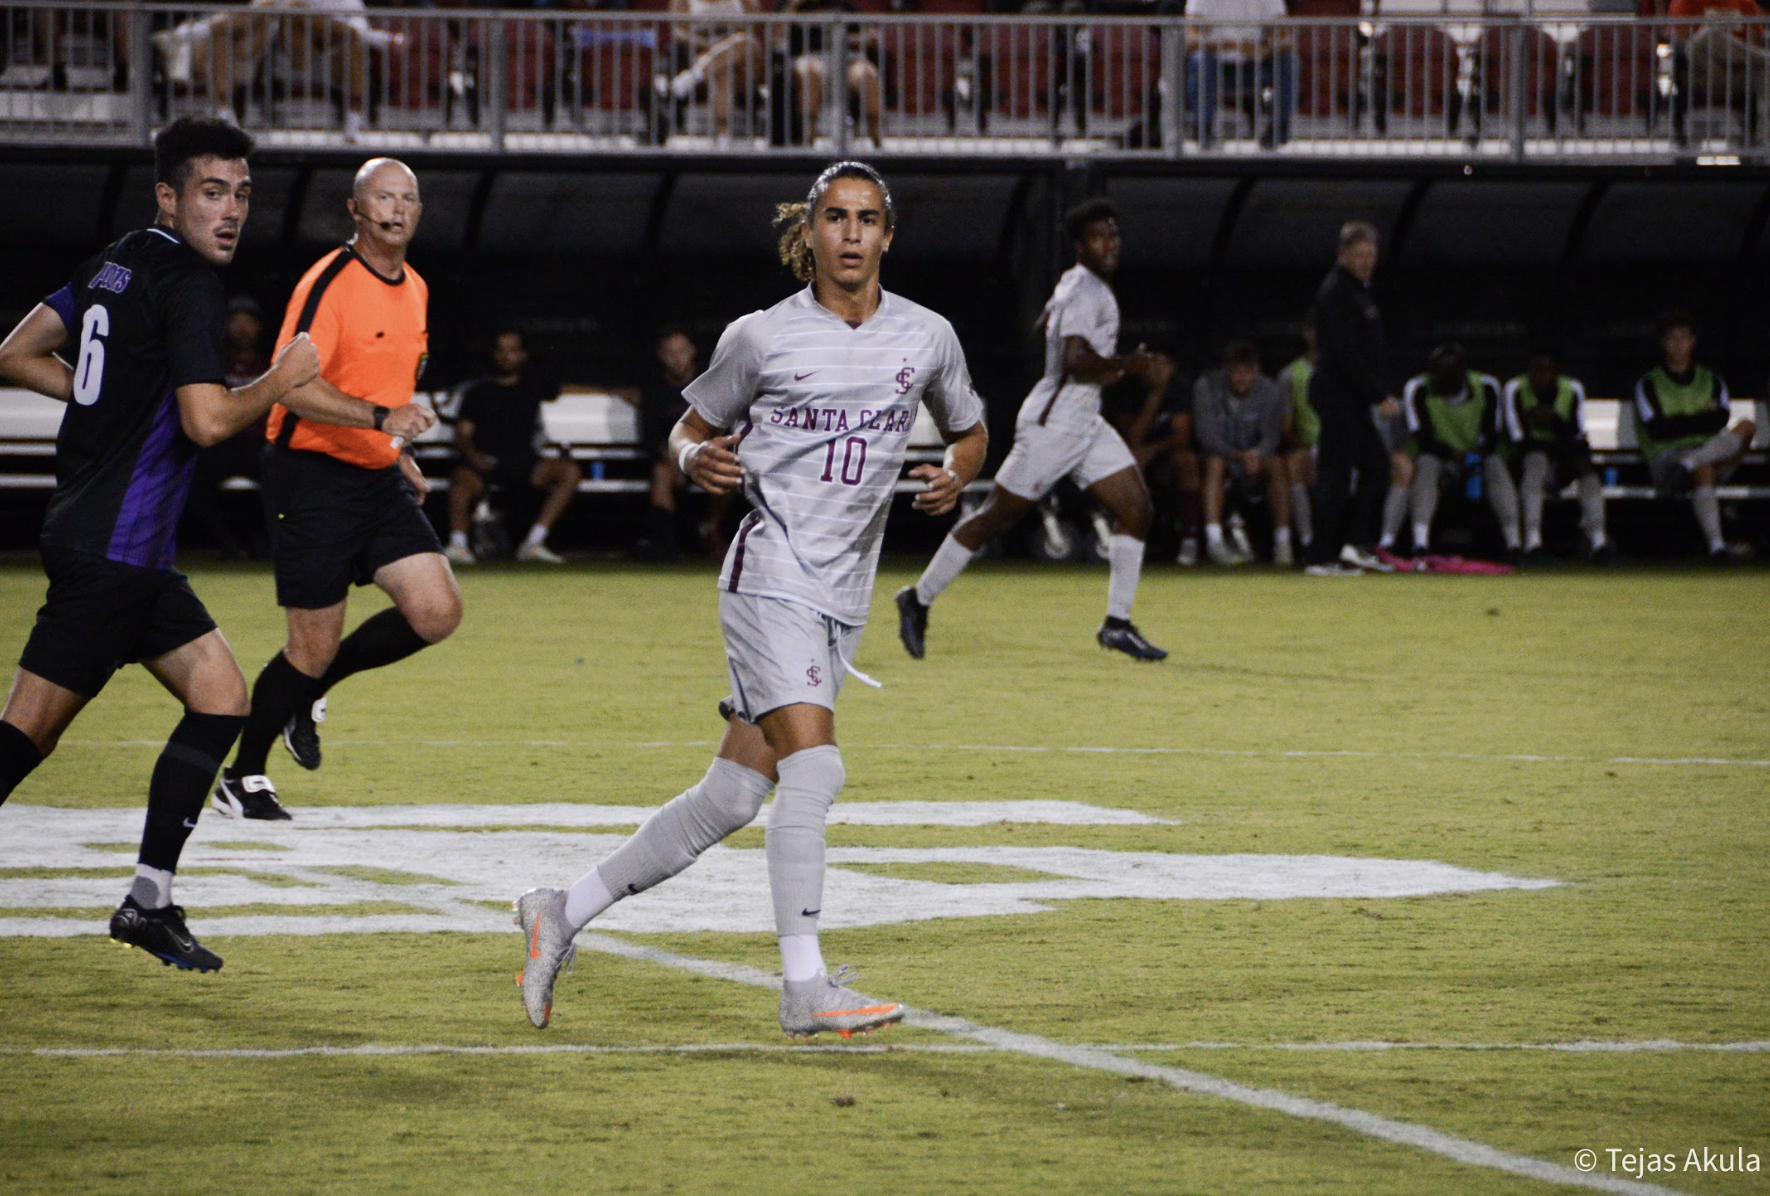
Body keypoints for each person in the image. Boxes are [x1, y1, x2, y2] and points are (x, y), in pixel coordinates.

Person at [511, 161, 988, 1037]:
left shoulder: (928, 336)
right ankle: (804, 987)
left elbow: (971, 429)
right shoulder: (761, 337)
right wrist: (696, 458)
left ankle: (560, 911)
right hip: (770, 574)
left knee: (733, 796)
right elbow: (688, 429)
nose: (851, 233)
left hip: (842, 592)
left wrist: (957, 472)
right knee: (817, 769)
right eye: (835, 217)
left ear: (888, 235)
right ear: (808, 233)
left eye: (867, 219)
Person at [0, 118, 321, 971]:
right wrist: (282, 380)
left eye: (242, 194)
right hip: (112, 554)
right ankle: (147, 900)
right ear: (168, 197)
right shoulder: (188, 283)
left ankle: (148, 900)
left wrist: (104, 399)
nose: (232, 211)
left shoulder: (112, 263)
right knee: (24, 738)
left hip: (121, 551)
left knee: (221, 696)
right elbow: (208, 422)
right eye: (212, 192)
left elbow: (16, 353)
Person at [212, 158, 450, 821]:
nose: (396, 209)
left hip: (374, 473)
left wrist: (396, 450)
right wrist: (381, 421)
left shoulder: (416, 286)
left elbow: (388, 383)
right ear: (356, 209)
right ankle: (243, 776)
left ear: (418, 211)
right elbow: (290, 385)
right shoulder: (330, 283)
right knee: (310, 644)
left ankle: (311, 691)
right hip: (309, 475)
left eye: (408, 198)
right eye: (383, 197)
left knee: (436, 611)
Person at [896, 198, 1167, 661]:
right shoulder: (1085, 291)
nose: (1110, 244)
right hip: (1054, 426)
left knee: (1137, 510)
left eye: (1114, 235)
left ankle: (1117, 624)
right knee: (995, 517)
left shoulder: (1075, 283)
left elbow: (1044, 328)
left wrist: (1100, 360)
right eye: (1099, 237)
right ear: (1080, 245)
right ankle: (917, 599)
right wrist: (1130, 365)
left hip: (1084, 421)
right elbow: (1074, 361)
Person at [1304, 221, 1399, 576]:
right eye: (1359, 254)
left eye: (1371, 254)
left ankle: (1355, 545)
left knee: (1375, 465)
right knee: (1335, 473)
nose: (1367, 261)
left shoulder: (1360, 290)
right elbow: (1347, 355)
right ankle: (1320, 556)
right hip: (1337, 393)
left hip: (1351, 397)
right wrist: (1379, 396)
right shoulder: (1336, 291)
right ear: (1342, 254)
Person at [445, 328, 581, 566]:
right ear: (493, 354)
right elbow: (463, 435)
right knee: (460, 481)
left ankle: (534, 543)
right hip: (486, 464)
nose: (507, 356)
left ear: (523, 354)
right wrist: (473, 456)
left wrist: (619, 392)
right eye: (501, 350)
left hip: (525, 464)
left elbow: (569, 390)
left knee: (569, 471)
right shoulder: (478, 392)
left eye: (513, 350)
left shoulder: (534, 386)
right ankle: (458, 546)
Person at [1633, 311, 1758, 563]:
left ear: (1693, 342)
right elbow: (1658, 430)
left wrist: (1679, 421)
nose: (1678, 344)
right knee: (1704, 468)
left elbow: (1720, 419)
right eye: (1672, 338)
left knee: (1746, 427)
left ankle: (1693, 462)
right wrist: (1701, 419)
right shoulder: (1648, 384)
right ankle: (1717, 547)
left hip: (1709, 454)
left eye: (1684, 338)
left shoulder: (1712, 380)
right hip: (1668, 461)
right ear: (1662, 343)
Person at [1395, 343, 1520, 557]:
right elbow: (1423, 438)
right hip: (1439, 456)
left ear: (1459, 375)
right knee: (1426, 464)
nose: (1434, 380)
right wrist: (1453, 455)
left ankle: (1514, 544)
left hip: (1477, 456)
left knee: (1496, 465)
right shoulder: (1419, 388)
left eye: (1442, 375)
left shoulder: (1487, 386)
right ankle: (1420, 543)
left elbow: (1492, 433)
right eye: (1434, 373)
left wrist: (1475, 454)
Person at [1502, 348, 1610, 562]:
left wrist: (1554, 420)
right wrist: (1554, 444)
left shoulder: (1573, 388)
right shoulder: (1515, 388)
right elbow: (1519, 441)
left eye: (1547, 370)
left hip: (1561, 461)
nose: (1541, 376)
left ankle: (1599, 542)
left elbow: (1578, 437)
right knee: (1536, 460)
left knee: (1585, 466)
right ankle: (1533, 542)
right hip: (1526, 463)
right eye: (1536, 369)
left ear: (1557, 373)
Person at [1192, 340, 1294, 566]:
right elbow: (1206, 436)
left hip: (1257, 461)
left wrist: (1257, 454)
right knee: (1215, 462)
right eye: (1235, 371)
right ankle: (1215, 542)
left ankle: (1283, 543)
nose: (1240, 378)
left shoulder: (1269, 390)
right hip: (1222, 459)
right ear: (1225, 370)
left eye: (1247, 372)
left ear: (1256, 371)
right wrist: (1238, 456)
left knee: (1276, 463)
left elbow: (1272, 436)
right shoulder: (1206, 387)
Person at [635, 324, 732, 561]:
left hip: (707, 453)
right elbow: (650, 437)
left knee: (729, 465)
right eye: (670, 353)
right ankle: (665, 541)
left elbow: (724, 425)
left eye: (681, 351)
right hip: (672, 457)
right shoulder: (653, 388)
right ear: (661, 356)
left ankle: (709, 527)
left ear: (692, 351)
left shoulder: (710, 382)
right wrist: (678, 456)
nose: (677, 359)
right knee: (661, 471)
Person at [1183, 0, 1296, 147]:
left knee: (1289, 61)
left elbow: (1284, 35)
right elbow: (1191, 37)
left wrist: (1264, 47)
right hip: (1215, 63)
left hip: (1254, 65)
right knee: (1200, 60)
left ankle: (1278, 130)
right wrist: (1227, 45)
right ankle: (1203, 130)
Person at [659, 0, 766, 142]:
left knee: (745, 42)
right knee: (722, 73)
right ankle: (724, 136)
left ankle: (695, 74)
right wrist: (707, 45)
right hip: (705, 51)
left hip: (743, 59)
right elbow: (678, 32)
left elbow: (757, 24)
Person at [779, 0, 883, 146]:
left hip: (847, 58)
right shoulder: (792, 8)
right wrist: (793, 9)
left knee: (866, 74)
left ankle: (877, 140)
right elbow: (777, 36)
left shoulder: (845, 7)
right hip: (811, 56)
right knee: (810, 72)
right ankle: (808, 138)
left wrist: (858, 39)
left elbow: (865, 35)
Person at [1277, 312, 1316, 556]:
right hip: (1309, 451)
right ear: (1306, 334)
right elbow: (1286, 429)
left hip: (1343, 451)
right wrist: (1306, 447)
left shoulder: (1347, 369)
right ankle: (1307, 541)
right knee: (1292, 464)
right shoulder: (1290, 374)